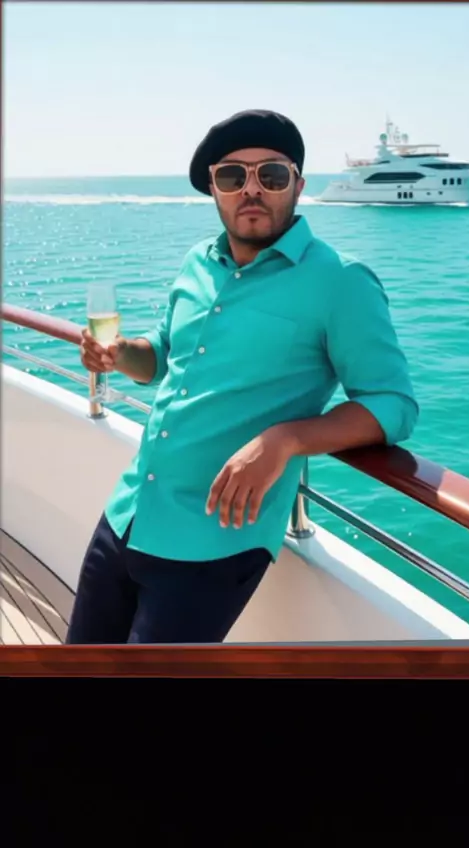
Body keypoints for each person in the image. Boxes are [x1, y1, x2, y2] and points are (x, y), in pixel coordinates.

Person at [66, 109, 419, 645]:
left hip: (213, 543)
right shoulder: (197, 262)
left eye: (270, 175)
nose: (251, 189)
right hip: (129, 511)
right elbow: (162, 353)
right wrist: (120, 353)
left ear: (298, 185)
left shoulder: (341, 282)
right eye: (233, 176)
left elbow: (393, 403)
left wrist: (287, 439)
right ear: (214, 188)